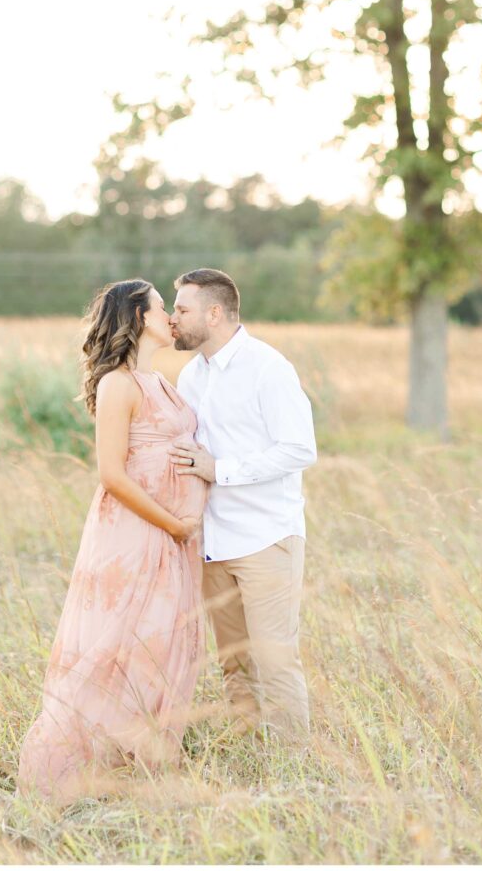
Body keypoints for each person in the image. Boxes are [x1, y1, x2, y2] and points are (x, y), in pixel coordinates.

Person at [16, 279, 208, 806]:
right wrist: (173, 523)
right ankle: (82, 765)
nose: (170, 316)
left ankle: (141, 758)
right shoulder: (118, 384)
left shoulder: (165, 384)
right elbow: (111, 475)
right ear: (138, 317)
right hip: (138, 529)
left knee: (165, 639)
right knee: (121, 639)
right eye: (162, 308)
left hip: (178, 533)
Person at [168, 268, 317, 741]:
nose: (173, 319)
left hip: (265, 538)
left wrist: (221, 469)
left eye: (182, 310)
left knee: (275, 661)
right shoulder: (191, 375)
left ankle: (294, 769)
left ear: (214, 314)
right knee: (234, 662)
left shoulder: (268, 368)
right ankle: (252, 754)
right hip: (213, 542)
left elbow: (299, 449)